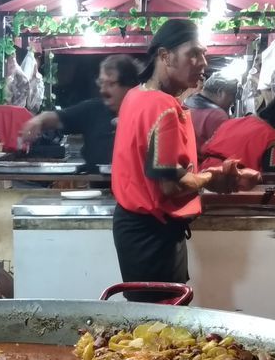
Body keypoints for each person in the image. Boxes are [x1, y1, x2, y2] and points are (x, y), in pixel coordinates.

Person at [111, 19, 261, 298]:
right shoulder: (165, 108)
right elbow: (171, 185)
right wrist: (214, 177)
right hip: (153, 236)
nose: (203, 62)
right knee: (162, 324)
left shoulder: (136, 96)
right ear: (165, 56)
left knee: (145, 318)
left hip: (132, 229)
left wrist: (210, 176)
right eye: (194, 53)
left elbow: (161, 173)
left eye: (203, 54)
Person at [17, 55, 142, 169]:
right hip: (95, 190)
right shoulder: (93, 110)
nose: (103, 90)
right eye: (101, 83)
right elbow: (59, 117)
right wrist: (39, 120)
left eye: (111, 84)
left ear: (129, 86)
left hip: (133, 190)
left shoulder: (144, 114)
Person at [199, 98, 275, 171]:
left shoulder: (232, 122)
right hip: (231, 184)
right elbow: (274, 174)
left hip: (203, 175)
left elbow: (204, 149)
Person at [185, 73, 238, 151]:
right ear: (220, 92)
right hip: (203, 161)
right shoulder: (217, 115)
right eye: (232, 95)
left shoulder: (187, 101)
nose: (232, 102)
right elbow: (226, 149)